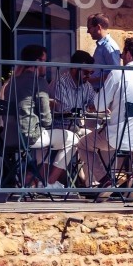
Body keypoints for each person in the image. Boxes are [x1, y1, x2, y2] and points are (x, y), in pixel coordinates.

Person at [80, 37, 133, 191]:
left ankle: (104, 180)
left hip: (118, 138)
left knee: (83, 144)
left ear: (129, 54)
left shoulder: (118, 74)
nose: (121, 58)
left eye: (122, 54)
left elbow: (99, 105)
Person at [0, 45, 53, 187]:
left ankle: (35, 180)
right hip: (29, 136)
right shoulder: (39, 82)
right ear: (37, 61)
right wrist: (49, 122)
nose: (46, 65)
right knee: (72, 139)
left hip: (9, 137)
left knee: (46, 145)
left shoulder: (11, 83)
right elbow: (46, 119)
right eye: (45, 61)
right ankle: (48, 183)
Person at [41, 51, 95, 187]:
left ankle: (92, 182)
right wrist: (85, 110)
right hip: (56, 125)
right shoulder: (61, 83)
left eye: (91, 73)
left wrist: (98, 107)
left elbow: (93, 103)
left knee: (97, 139)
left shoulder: (86, 86)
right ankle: (51, 181)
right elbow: (64, 110)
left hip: (74, 126)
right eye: (86, 72)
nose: (88, 76)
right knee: (79, 139)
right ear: (75, 69)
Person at [86, 14, 121, 90]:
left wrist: (91, 80)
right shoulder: (102, 45)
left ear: (98, 27)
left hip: (103, 92)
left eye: (89, 28)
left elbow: (115, 74)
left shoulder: (109, 46)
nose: (88, 31)